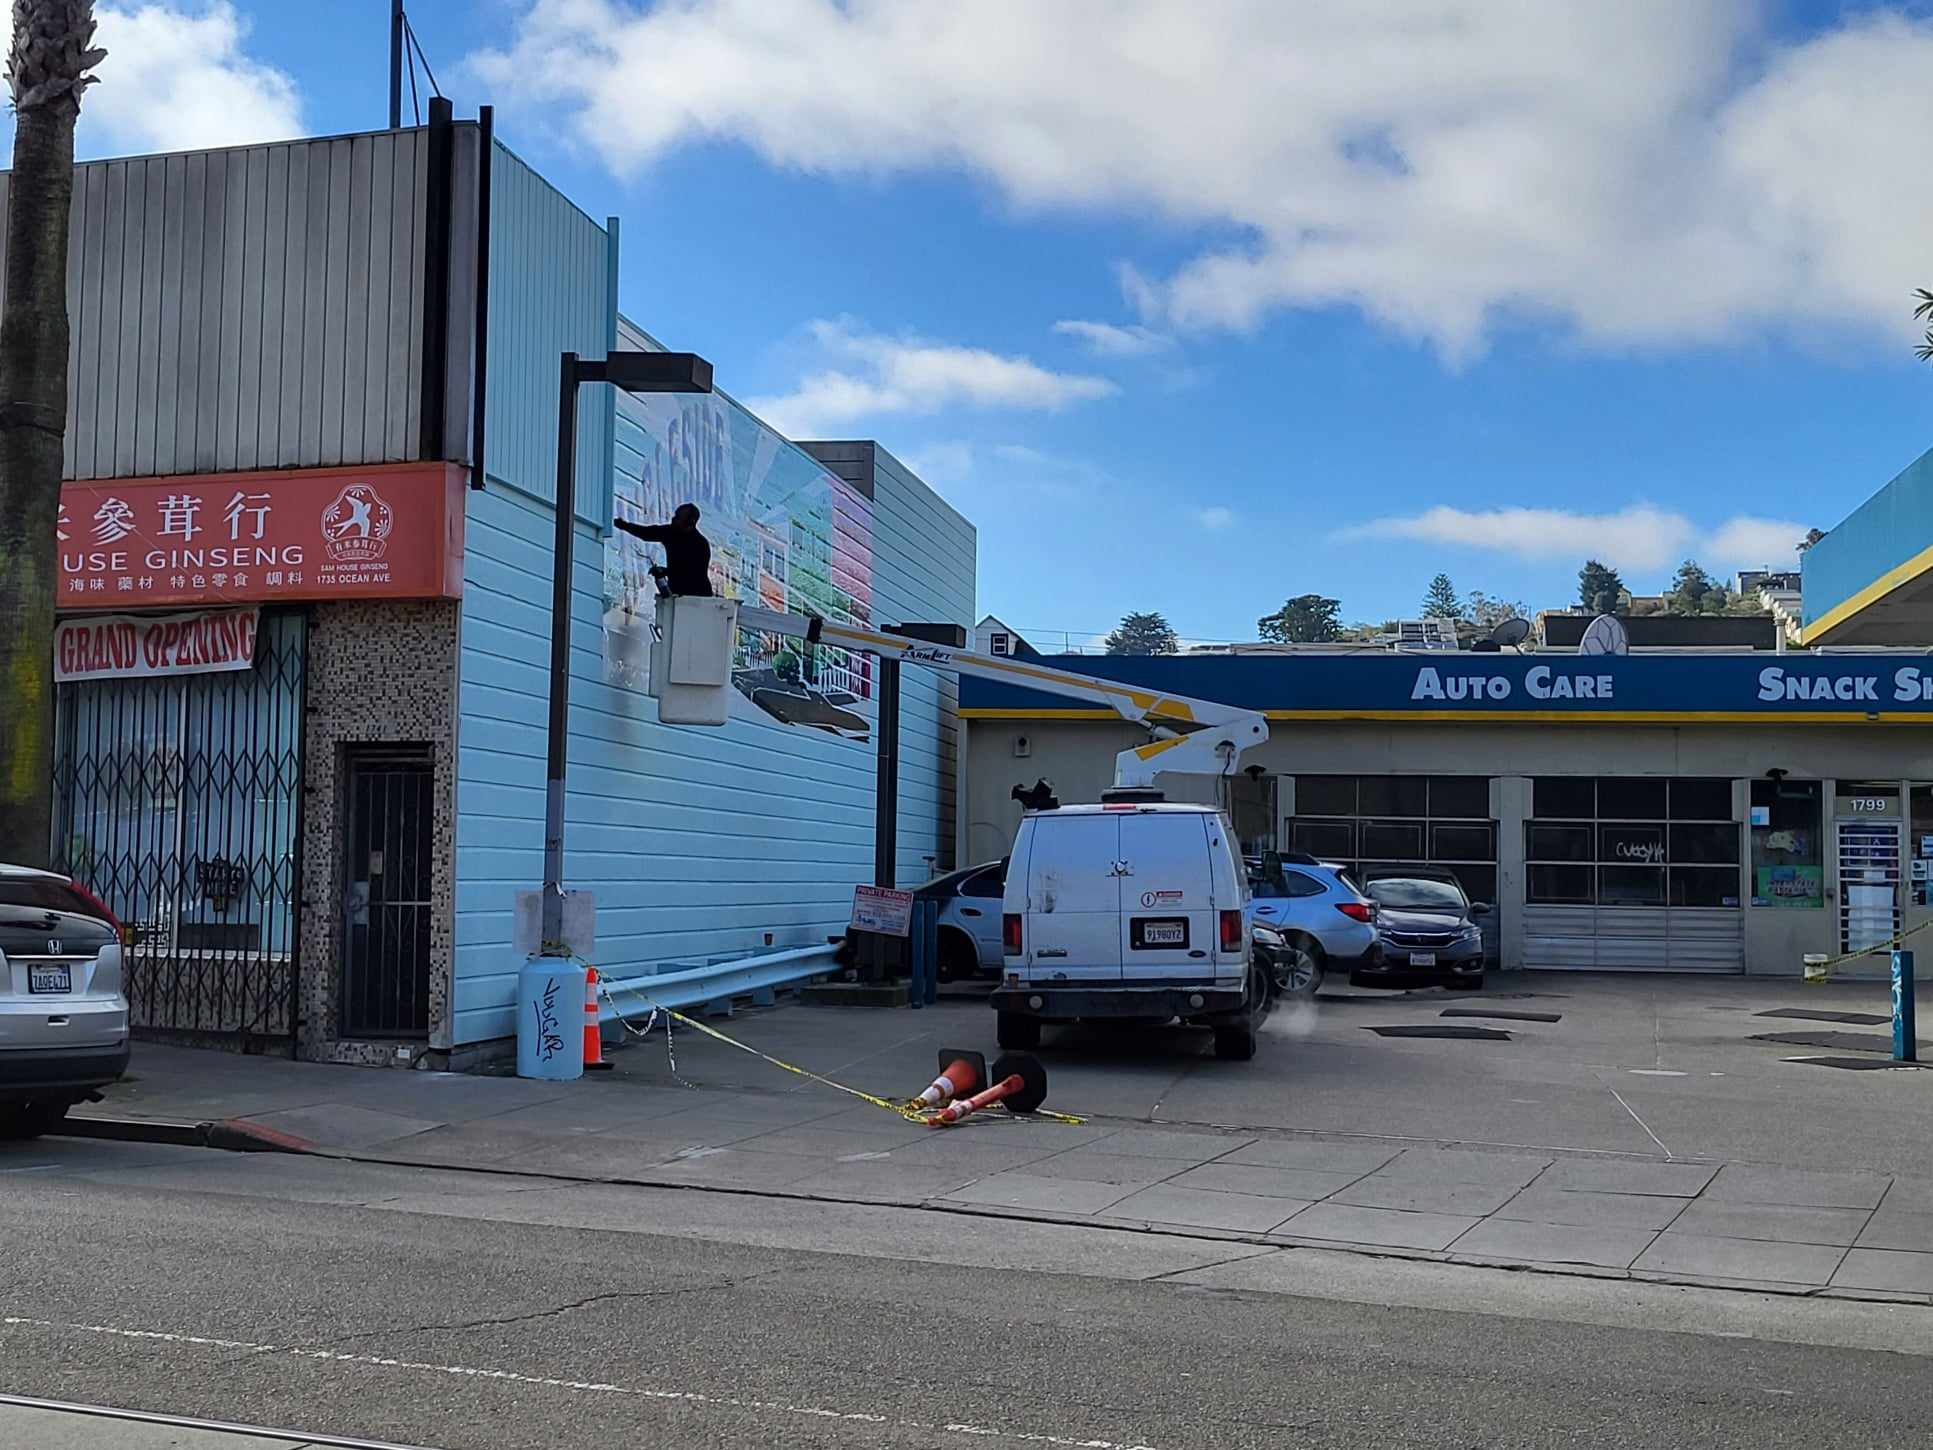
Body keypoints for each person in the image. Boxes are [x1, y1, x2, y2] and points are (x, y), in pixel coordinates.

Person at [615, 502, 712, 596]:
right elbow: (646, 533)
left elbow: (693, 575)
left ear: (690, 523)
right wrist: (623, 525)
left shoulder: (700, 545)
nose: (673, 519)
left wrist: (665, 571)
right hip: (677, 594)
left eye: (678, 517)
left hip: (698, 596)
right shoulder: (671, 532)